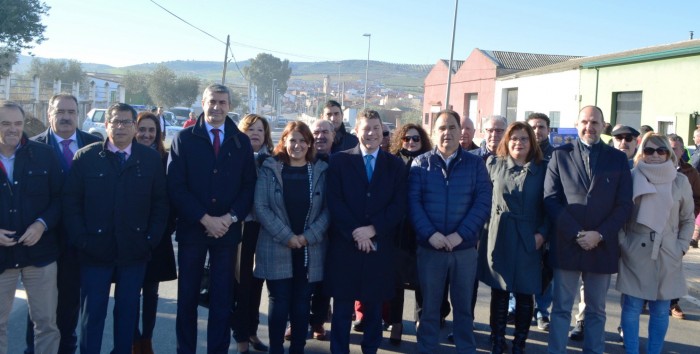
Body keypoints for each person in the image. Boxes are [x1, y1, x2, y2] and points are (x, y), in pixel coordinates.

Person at [63, 103, 169, 354]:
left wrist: (150, 239)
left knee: (127, 314)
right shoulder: (86, 157)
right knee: (93, 315)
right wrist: (82, 239)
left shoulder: (151, 159)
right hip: (94, 252)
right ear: (106, 124)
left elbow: (160, 204)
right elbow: (71, 202)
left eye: (126, 122)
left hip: (134, 252)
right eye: (115, 122)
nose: (120, 127)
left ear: (134, 126)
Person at [168, 84, 257, 354]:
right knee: (187, 300)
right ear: (202, 103)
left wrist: (229, 218)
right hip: (193, 232)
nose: (216, 108)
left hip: (227, 234)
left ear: (230, 106)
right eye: (212, 102)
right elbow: (176, 187)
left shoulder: (240, 142)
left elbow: (248, 187)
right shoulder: (183, 139)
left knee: (221, 300)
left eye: (222, 102)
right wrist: (204, 218)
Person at [544, 105, 632, 354]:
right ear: (577, 123)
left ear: (604, 126)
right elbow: (550, 199)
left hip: (602, 246)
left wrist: (600, 234)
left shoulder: (617, 159)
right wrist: (577, 233)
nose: (589, 127)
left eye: (595, 122)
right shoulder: (560, 155)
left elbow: (624, 205)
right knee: (561, 308)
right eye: (584, 121)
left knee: (597, 310)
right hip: (567, 243)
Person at [409, 109, 492, 354]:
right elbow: (414, 204)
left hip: (463, 250)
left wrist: (461, 235)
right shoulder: (420, 164)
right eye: (442, 128)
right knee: (430, 307)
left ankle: (466, 348)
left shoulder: (475, 164)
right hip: (430, 248)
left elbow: (483, 202)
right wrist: (431, 235)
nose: (447, 133)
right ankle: (426, 348)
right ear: (434, 133)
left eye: (452, 127)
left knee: (464, 308)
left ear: (461, 131)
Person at [325, 109, 406, 354]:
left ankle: (370, 350)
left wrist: (372, 230)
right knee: (342, 311)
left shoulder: (395, 164)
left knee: (373, 311)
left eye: (375, 128)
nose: (370, 133)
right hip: (345, 247)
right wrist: (356, 233)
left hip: (379, 248)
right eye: (365, 128)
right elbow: (334, 202)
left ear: (382, 131)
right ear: (356, 131)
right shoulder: (339, 161)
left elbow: (399, 205)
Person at [27, 93, 100, 354]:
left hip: (78, 243)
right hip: (41, 243)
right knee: (39, 313)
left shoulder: (95, 145)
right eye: (60, 112)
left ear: (78, 114)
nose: (66, 116)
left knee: (69, 311)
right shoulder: (32, 147)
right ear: (49, 114)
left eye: (71, 111)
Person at [254, 121, 329, 354]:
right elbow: (260, 206)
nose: (297, 145)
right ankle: (276, 349)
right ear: (284, 141)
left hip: (310, 248)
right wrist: (287, 237)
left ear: (309, 144)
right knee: (279, 301)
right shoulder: (270, 168)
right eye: (292, 140)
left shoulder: (321, 171)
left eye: (302, 141)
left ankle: (297, 348)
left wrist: (307, 237)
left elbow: (329, 210)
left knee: (301, 304)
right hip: (276, 245)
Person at [617, 133, 694, 354]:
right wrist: (624, 243)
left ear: (669, 154)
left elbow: (688, 218)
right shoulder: (631, 177)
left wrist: (681, 246)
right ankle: (631, 351)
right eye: (649, 151)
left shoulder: (680, 181)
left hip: (668, 251)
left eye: (661, 151)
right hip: (635, 250)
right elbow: (619, 214)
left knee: (661, 309)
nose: (656, 155)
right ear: (642, 153)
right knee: (632, 307)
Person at [478, 122, 547, 353]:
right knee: (499, 290)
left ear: (532, 142)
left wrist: (542, 234)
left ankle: (519, 343)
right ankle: (497, 339)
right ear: (507, 141)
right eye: (514, 138)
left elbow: (552, 205)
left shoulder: (543, 169)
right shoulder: (493, 164)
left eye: (524, 139)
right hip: (499, 234)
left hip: (529, 237)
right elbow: (483, 200)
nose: (519, 143)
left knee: (525, 293)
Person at [0, 101, 62, 354]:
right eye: (5, 124)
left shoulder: (44, 154)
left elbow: (60, 198)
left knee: (47, 324)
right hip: (2, 259)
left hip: (40, 255)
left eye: (17, 123)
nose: (13, 129)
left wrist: (41, 224)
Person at [131, 112, 177, 354]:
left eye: (152, 130)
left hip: (157, 240)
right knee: (128, 295)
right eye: (142, 129)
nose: (147, 134)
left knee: (150, 294)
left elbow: (171, 201)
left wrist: (160, 232)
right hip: (128, 240)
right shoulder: (125, 157)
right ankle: (133, 340)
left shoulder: (167, 160)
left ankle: (146, 341)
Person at [387, 123, 432, 345]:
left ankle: (420, 322)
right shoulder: (393, 161)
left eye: (415, 139)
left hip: (422, 230)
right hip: (397, 230)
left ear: (422, 140)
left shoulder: (431, 161)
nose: (411, 143)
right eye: (407, 139)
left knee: (422, 280)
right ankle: (396, 323)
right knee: (396, 280)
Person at [231, 114, 273, 353]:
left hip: (264, 230)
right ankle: (240, 337)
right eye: (250, 129)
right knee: (241, 285)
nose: (255, 133)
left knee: (257, 284)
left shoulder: (273, 160)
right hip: (241, 228)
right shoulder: (233, 158)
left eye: (260, 129)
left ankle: (252, 331)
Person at [666, 133, 700, 318]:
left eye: (676, 148)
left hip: (678, 228)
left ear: (681, 151)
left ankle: (673, 303)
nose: (672, 151)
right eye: (668, 147)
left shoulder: (690, 172)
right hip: (653, 228)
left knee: (674, 266)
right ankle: (646, 299)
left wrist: (689, 216)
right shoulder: (650, 167)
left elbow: (698, 198)